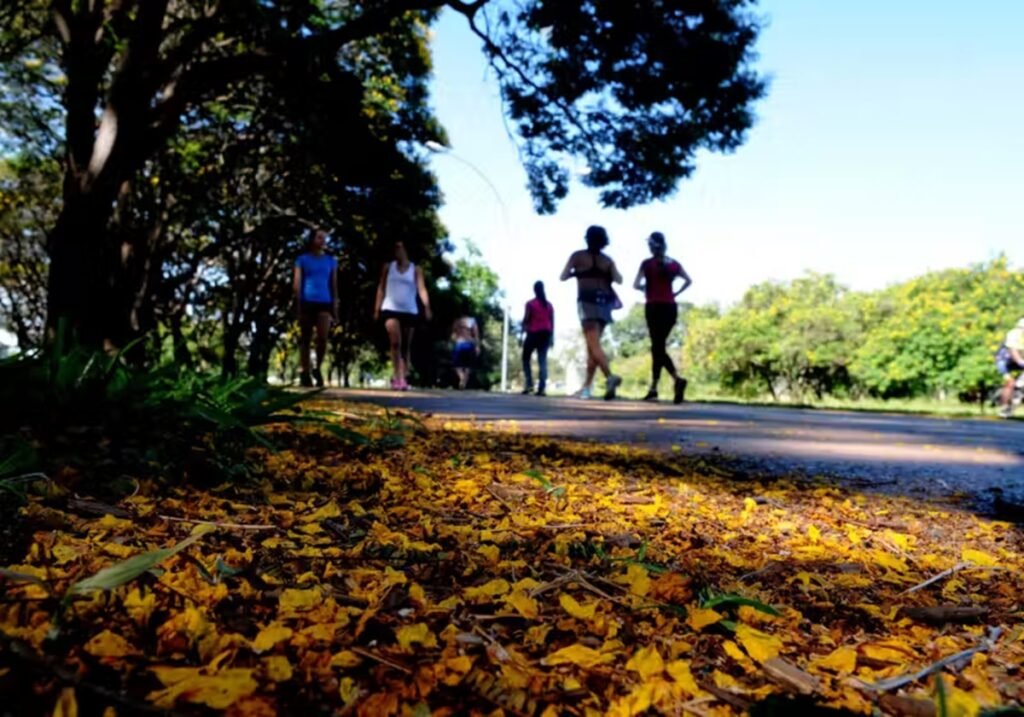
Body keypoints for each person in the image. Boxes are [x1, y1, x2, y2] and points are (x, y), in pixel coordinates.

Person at [560, 225, 623, 400]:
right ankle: (586, 388)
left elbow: (563, 276)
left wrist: (577, 273)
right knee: (592, 348)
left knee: (593, 345)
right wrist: (605, 274)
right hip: (604, 303)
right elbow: (619, 279)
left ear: (587, 238)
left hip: (586, 302)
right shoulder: (607, 261)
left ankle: (610, 376)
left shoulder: (577, 256)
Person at [633, 231, 693, 404]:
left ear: (652, 246)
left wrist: (645, 288)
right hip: (670, 307)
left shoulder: (646, 264)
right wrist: (676, 293)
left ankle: (672, 381)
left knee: (657, 347)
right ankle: (656, 387)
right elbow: (688, 280)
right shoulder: (673, 263)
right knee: (658, 347)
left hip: (653, 307)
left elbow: (635, 284)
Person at [374, 241, 432, 390]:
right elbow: (381, 287)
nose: (397, 251)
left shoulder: (415, 269)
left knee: (405, 346)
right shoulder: (388, 267)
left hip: (409, 310)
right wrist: (377, 308)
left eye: (400, 248)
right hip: (390, 308)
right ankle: (396, 376)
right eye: (395, 248)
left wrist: (426, 307)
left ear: (406, 250)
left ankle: (404, 377)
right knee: (395, 342)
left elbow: (421, 289)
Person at [293, 228, 338, 388]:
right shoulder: (302, 260)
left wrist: (335, 305)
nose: (322, 241)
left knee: (322, 338)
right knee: (305, 338)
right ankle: (305, 371)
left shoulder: (331, 261)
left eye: (324, 238)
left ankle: (317, 367)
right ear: (312, 240)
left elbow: (333, 284)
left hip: (324, 302)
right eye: (319, 237)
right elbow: (297, 283)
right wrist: (297, 304)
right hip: (307, 301)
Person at [521, 281, 554, 396]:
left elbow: (526, 319)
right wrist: (552, 338)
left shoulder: (530, 304)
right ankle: (542, 388)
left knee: (526, 358)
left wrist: (522, 334)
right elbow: (552, 323)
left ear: (534, 290)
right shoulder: (549, 305)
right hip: (546, 334)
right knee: (542, 360)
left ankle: (529, 384)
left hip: (533, 333)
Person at [996, 318, 1024, 418]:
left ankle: (1019, 389)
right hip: (1004, 362)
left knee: (1019, 383)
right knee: (1010, 383)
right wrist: (1021, 362)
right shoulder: (1013, 334)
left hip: (1019, 362)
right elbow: (1013, 352)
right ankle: (1004, 407)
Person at [451, 315, 480, 389]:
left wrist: (455, 339)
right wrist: (477, 346)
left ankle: (462, 377)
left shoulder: (457, 320)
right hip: (469, 344)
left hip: (459, 344)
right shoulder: (472, 321)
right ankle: (464, 379)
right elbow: (476, 334)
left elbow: (453, 335)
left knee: (457, 364)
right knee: (468, 365)